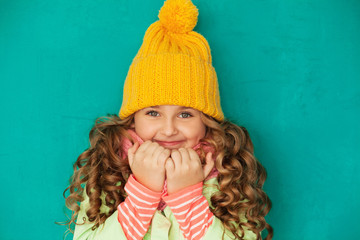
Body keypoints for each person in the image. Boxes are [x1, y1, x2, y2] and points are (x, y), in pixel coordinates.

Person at [63, 0, 273, 239]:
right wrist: (144, 192)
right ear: (132, 120)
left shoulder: (227, 174)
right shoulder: (109, 171)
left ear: (206, 121)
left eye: (185, 114)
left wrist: (188, 196)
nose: (169, 129)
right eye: (153, 113)